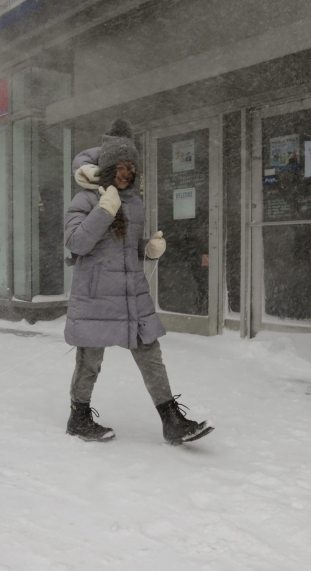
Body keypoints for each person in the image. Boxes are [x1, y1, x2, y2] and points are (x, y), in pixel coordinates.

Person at [64, 118, 213, 445]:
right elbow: (76, 244)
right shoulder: (86, 200)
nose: (127, 172)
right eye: (121, 165)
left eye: (132, 167)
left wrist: (148, 250)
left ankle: (171, 420)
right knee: (90, 362)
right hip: (96, 297)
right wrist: (103, 212)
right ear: (107, 166)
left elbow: (127, 250)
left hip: (132, 294)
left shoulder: (134, 202)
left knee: (151, 355)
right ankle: (78, 417)